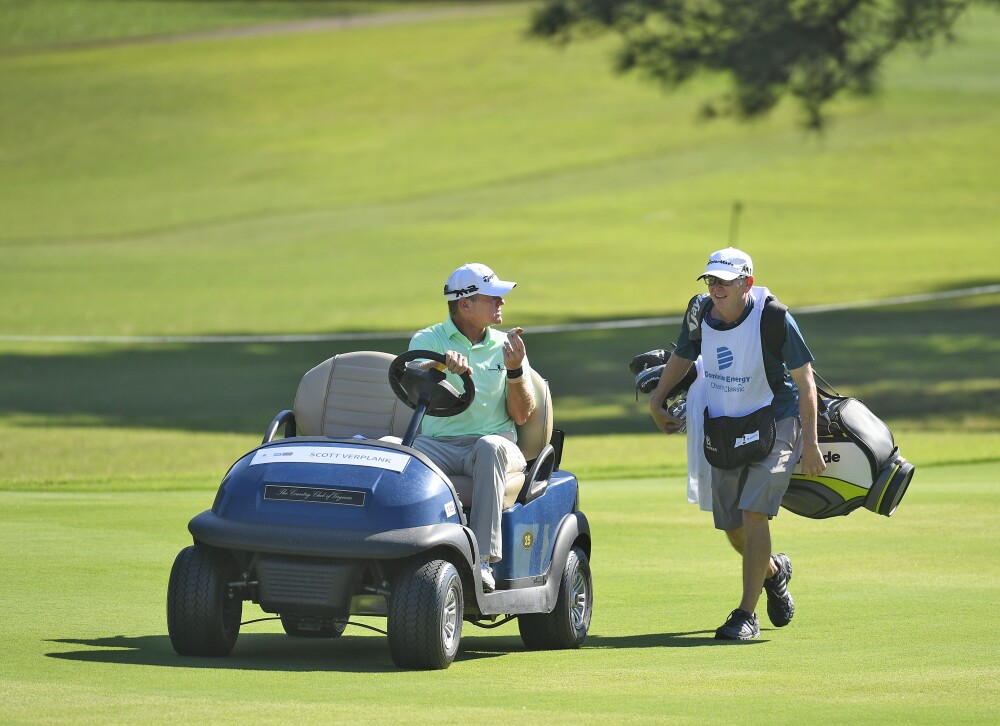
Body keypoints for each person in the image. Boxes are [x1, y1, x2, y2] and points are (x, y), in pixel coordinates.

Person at [649, 247, 826, 640]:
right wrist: (657, 400)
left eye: (725, 281)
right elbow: (683, 355)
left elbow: (806, 382)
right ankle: (773, 572)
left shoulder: (774, 317)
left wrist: (811, 442)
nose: (716, 288)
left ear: (747, 283)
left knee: (752, 512)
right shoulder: (699, 311)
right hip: (725, 422)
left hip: (777, 419)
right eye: (711, 280)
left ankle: (746, 614)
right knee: (731, 525)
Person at [409, 263, 536, 592]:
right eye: (492, 297)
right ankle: (397, 549)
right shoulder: (428, 338)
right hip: (439, 445)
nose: (501, 302)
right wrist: (440, 363)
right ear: (465, 304)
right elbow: (412, 376)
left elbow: (522, 415)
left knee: (489, 447)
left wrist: (515, 370)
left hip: (496, 446)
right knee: (397, 451)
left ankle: (482, 561)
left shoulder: (507, 346)